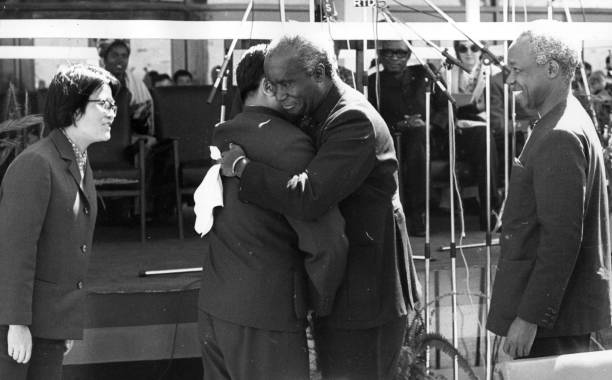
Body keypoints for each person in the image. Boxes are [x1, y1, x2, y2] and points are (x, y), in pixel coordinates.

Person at [221, 33, 421, 380]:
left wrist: (242, 169)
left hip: (366, 300)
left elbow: (309, 196)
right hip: (350, 294)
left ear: (319, 72)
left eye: (287, 84)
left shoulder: (352, 119)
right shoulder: (321, 109)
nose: (280, 95)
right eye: (272, 85)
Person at [198, 44, 348, 380]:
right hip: (268, 313)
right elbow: (324, 240)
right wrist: (322, 305)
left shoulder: (225, 133)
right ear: (268, 86)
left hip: (216, 305)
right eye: (287, 83)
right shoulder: (290, 144)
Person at [487, 20, 612, 359]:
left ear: (552, 68)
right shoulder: (564, 118)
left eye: (517, 70)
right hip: (559, 317)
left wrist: (529, 318)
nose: (511, 80)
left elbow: (561, 239)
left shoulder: (560, 133)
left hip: (552, 323)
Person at [0, 64, 119, 379]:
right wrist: (16, 324)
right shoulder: (37, 163)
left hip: (49, 323)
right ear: (74, 110)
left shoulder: (78, 161)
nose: (112, 113)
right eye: (103, 104)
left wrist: (63, 324)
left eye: (113, 105)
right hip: (17, 329)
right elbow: (15, 252)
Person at [367, 40, 448, 236]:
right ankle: (413, 213)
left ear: (409, 54)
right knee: (413, 139)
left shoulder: (426, 73)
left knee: (418, 136)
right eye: (388, 52)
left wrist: (430, 125)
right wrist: (398, 125)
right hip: (393, 141)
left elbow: (448, 107)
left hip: (431, 139)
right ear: (380, 54)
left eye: (400, 53)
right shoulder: (373, 82)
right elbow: (371, 117)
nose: (394, 57)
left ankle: (419, 213)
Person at [99, 39, 154, 140]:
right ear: (105, 60)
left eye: (124, 56)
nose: (120, 60)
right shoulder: (95, 82)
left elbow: (147, 117)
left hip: (130, 134)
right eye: (115, 55)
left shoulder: (136, 83)